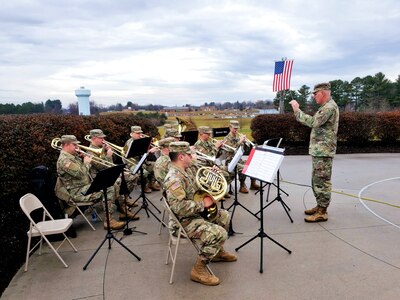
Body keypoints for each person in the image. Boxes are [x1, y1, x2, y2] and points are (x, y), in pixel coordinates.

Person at [164, 141, 237, 286]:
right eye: (189, 154)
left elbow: (200, 186)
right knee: (219, 233)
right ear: (181, 156)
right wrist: (202, 204)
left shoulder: (187, 170)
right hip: (183, 221)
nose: (193, 156)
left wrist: (215, 175)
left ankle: (216, 252)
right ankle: (199, 269)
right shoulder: (174, 179)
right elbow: (178, 207)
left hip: (193, 215)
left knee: (224, 216)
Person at [289, 82, 339, 222]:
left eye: (315, 94)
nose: (314, 97)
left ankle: (322, 212)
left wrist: (297, 110)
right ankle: (319, 206)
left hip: (323, 151)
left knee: (322, 181)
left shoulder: (329, 107)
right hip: (320, 151)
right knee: (317, 180)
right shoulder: (326, 106)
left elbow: (313, 122)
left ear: (323, 93)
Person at [55, 135, 125, 230]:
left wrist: (82, 157)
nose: (77, 147)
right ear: (66, 145)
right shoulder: (64, 160)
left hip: (85, 187)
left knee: (112, 184)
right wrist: (87, 162)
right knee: (108, 188)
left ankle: (122, 210)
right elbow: (81, 174)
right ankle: (109, 221)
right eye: (74, 145)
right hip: (77, 192)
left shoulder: (72, 156)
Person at [88, 129, 139, 221]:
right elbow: (101, 166)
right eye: (101, 138)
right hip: (99, 176)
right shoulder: (90, 152)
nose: (103, 140)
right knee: (117, 182)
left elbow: (111, 162)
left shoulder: (102, 147)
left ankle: (124, 202)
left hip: (109, 172)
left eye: (103, 138)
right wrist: (108, 156)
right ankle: (121, 208)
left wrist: (109, 153)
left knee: (133, 176)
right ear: (94, 138)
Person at [223, 120, 260, 193]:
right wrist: (240, 142)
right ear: (230, 127)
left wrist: (245, 142)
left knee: (252, 163)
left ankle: (253, 184)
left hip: (238, 159)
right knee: (243, 168)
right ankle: (242, 186)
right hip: (230, 161)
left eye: (237, 128)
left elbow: (244, 150)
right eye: (234, 128)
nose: (236, 130)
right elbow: (230, 150)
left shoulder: (237, 137)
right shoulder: (226, 138)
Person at [123, 126, 160, 193]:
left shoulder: (140, 140)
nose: (140, 135)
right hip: (132, 163)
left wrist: (147, 144)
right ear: (131, 134)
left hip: (142, 162)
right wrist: (149, 151)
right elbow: (136, 154)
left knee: (157, 165)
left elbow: (144, 153)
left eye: (140, 133)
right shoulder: (130, 143)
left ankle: (151, 183)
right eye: (137, 133)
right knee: (144, 173)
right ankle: (144, 186)